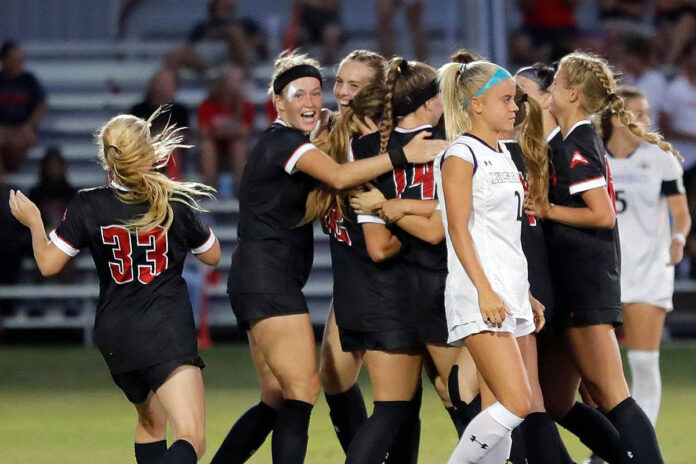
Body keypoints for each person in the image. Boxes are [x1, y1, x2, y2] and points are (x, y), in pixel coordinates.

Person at [213, 51, 444, 464]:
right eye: (339, 82)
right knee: (324, 388)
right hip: (326, 280)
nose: (341, 93)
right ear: (279, 101)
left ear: (378, 92)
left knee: (300, 394)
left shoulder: (385, 140)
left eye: (353, 86)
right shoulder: (321, 141)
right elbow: (339, 180)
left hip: (383, 280)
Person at [8, 109, 221, 464]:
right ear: (148, 151)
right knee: (192, 438)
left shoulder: (87, 203)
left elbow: (47, 264)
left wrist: (34, 223)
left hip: (115, 332)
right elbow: (212, 256)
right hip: (163, 327)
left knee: (152, 424)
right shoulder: (172, 200)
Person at [524, 51, 677, 464]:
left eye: (554, 85)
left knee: (612, 394)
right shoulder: (571, 141)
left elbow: (602, 214)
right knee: (556, 400)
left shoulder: (579, 143)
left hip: (584, 283)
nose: (548, 91)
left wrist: (547, 209)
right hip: (571, 284)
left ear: (572, 94)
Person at [435, 59, 547, 463]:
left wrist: (526, 293)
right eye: (506, 100)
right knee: (518, 402)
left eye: (515, 100)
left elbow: (502, 235)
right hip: (480, 293)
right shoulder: (461, 155)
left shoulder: (502, 153)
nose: (515, 107)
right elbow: (459, 230)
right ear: (476, 105)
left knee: (496, 406)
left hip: (508, 291)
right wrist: (485, 290)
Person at [601, 86, 691, 426]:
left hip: (649, 268)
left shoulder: (659, 157)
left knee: (642, 362)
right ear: (615, 118)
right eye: (637, 114)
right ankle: (606, 446)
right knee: (596, 371)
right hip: (603, 271)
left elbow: (681, 214)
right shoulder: (594, 156)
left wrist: (679, 239)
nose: (646, 120)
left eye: (647, 113)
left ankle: (642, 447)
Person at [196, 66, 255, 195]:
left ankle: (240, 190)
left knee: (238, 144)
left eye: (239, 81)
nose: (236, 85)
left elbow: (245, 131)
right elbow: (204, 132)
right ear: (222, 82)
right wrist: (231, 131)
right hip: (214, 153)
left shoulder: (246, 106)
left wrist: (219, 131)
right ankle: (208, 190)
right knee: (207, 145)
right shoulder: (207, 105)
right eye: (232, 80)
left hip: (235, 154)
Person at [130, 68, 190, 180]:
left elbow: (185, 137)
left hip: (170, 148)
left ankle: (172, 186)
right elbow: (132, 135)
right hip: (143, 148)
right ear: (153, 85)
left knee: (169, 143)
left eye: (168, 83)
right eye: (161, 83)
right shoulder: (138, 109)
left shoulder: (180, 110)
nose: (164, 87)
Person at [0, 40, 47, 173]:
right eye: (14, 59)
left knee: (20, 141)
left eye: (21, 59)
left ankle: (9, 171)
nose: (19, 63)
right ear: (4, 61)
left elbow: (41, 105)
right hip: (2, 127)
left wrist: (28, 126)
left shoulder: (29, 80)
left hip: (23, 127)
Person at [660, 40, 696, 170]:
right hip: (681, 157)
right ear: (688, 58)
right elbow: (664, 128)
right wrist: (691, 137)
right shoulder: (675, 88)